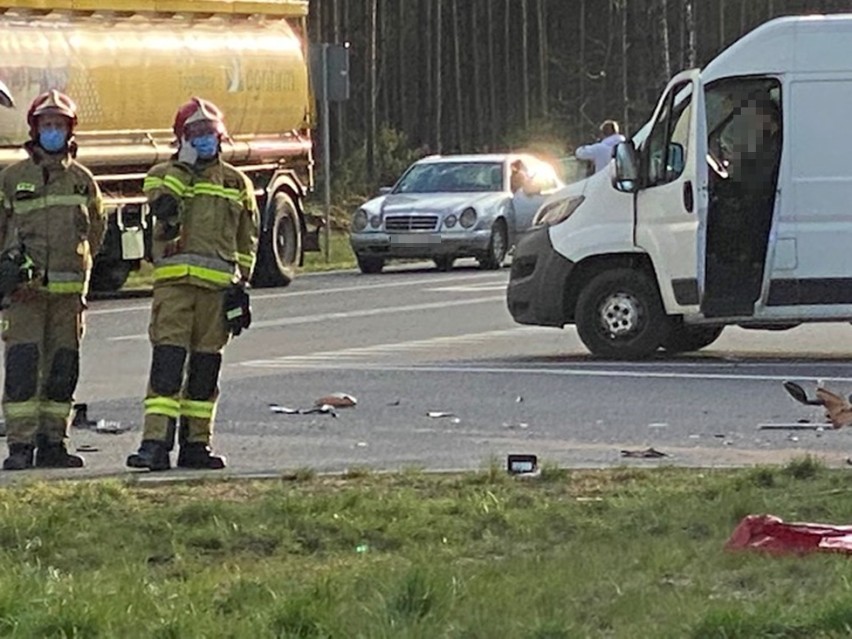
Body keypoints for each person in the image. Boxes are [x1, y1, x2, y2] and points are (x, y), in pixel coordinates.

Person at [126, 97, 259, 471]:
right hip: (175, 290)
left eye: (209, 133)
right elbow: (164, 207)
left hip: (217, 295)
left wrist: (240, 287)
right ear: (182, 139)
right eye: (195, 134)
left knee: (205, 371)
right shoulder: (163, 173)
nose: (204, 140)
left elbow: (247, 239)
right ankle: (154, 444)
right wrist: (184, 168)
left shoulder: (237, 183)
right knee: (168, 366)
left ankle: (197, 444)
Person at [0, 90, 105, 470]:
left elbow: (95, 231)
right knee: (24, 370)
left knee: (62, 370)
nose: (53, 132)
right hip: (24, 297)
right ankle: (20, 446)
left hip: (67, 300)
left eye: (59, 126)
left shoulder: (82, 180)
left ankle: (53, 443)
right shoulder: (11, 179)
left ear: (70, 131)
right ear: (35, 130)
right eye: (47, 125)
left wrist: (78, 275)